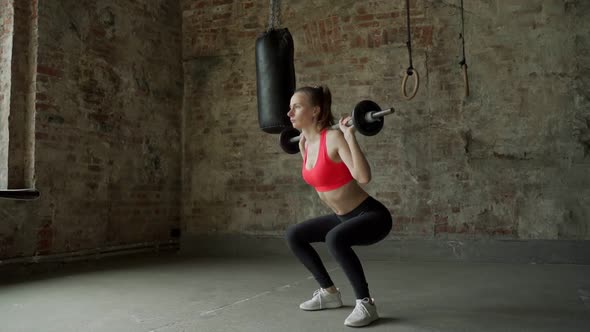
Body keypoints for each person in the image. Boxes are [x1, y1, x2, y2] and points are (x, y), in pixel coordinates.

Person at [284, 85, 393, 327]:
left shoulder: (333, 138)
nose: (289, 113)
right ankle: (329, 293)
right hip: (343, 217)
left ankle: (366, 304)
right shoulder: (304, 144)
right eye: (290, 108)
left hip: (371, 216)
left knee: (334, 238)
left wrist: (350, 136)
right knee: (294, 235)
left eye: (297, 107)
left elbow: (363, 177)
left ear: (315, 111)